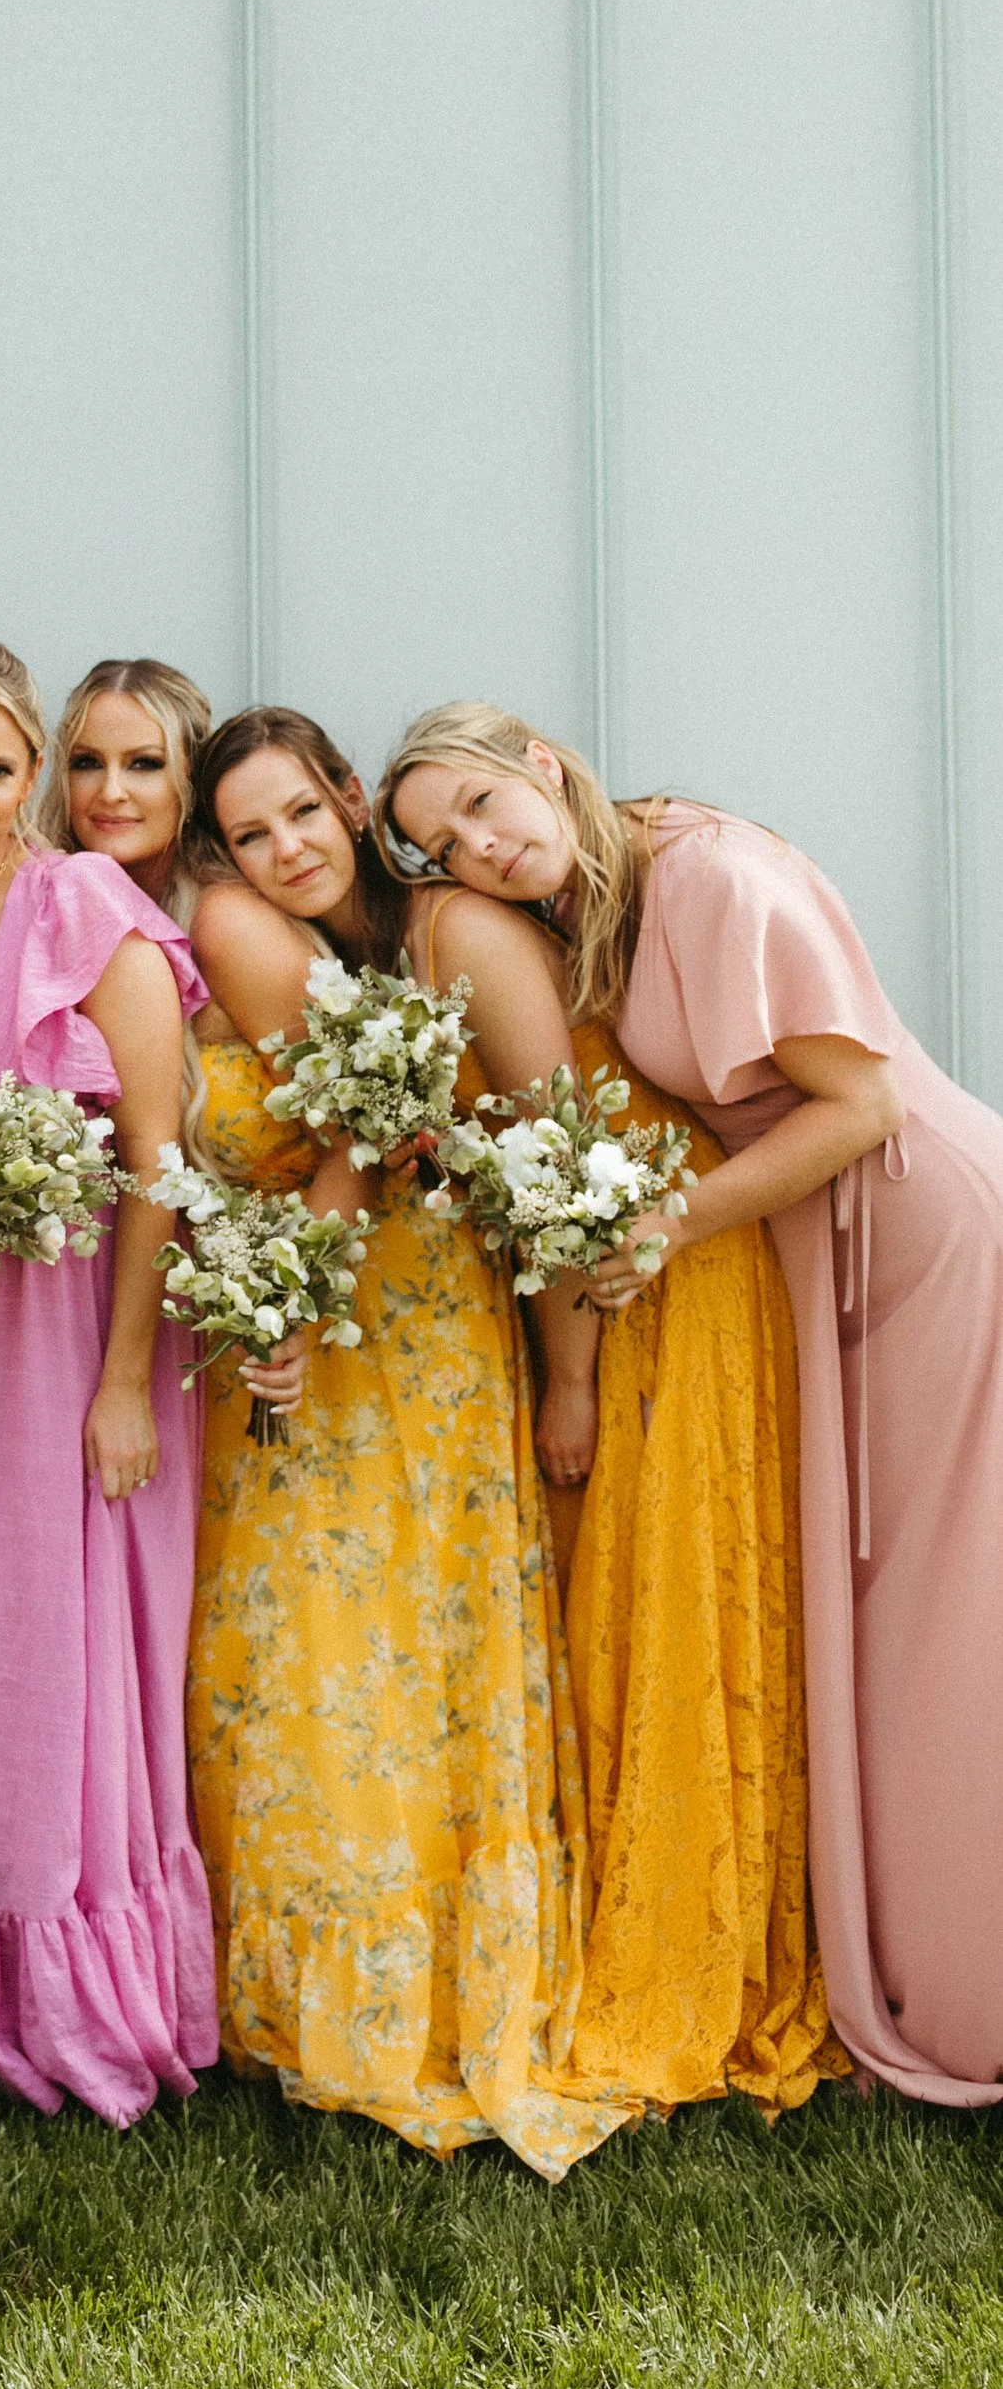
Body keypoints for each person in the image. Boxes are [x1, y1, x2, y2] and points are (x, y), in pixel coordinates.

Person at [382, 706, 1003, 2111]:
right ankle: (888, 1963)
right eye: (443, 846)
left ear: (538, 756)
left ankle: (971, 1983)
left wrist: (667, 1223)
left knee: (949, 1616)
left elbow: (862, 1104)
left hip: (928, 1241)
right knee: (877, 1630)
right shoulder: (609, 891)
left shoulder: (714, 873)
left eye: (482, 802)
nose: (481, 848)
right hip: (818, 1258)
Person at [180, 705, 628, 2176]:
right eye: (250, 833)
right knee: (303, 1659)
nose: (285, 849)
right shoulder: (295, 958)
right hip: (308, 1356)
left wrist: (570, 1372)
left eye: (301, 812)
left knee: (422, 1663)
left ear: (348, 800)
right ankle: (299, 1999)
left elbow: (560, 1155)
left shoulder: (450, 931)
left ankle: (435, 1991)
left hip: (433, 1356)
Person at [0, 640, 217, 2123]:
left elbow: (157, 1155)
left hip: (80, 1332)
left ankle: (75, 1981)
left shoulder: (82, 906)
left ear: (32, 782)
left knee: (55, 1647)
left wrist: (128, 1378)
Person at [38, 657, 214, 917]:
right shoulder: (33, 899)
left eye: (144, 763)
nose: (111, 793)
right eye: (88, 762)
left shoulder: (226, 919)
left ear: (192, 780)